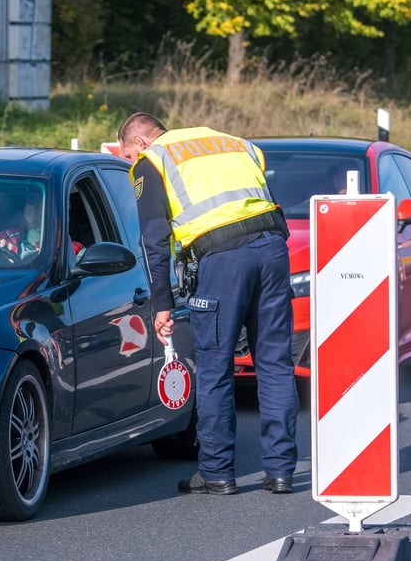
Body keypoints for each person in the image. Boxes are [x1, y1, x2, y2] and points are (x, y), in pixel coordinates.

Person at [117, 112, 298, 495]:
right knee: (275, 362)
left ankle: (217, 473)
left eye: (128, 158)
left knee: (215, 365)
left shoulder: (153, 160)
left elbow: (153, 238)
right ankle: (281, 471)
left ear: (138, 144)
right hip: (273, 249)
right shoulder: (232, 141)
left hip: (222, 259)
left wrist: (162, 304)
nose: (132, 166)